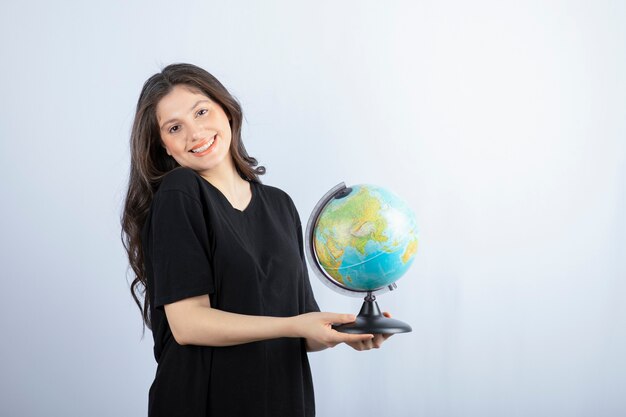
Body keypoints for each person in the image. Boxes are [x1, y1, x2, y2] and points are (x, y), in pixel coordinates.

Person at [121, 63, 392, 417]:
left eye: (201, 111)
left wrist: (344, 330)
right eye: (175, 128)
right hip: (204, 402)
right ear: (165, 147)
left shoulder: (280, 205)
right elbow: (188, 324)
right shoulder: (180, 194)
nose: (195, 132)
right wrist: (295, 325)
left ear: (226, 110)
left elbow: (302, 325)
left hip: (281, 400)